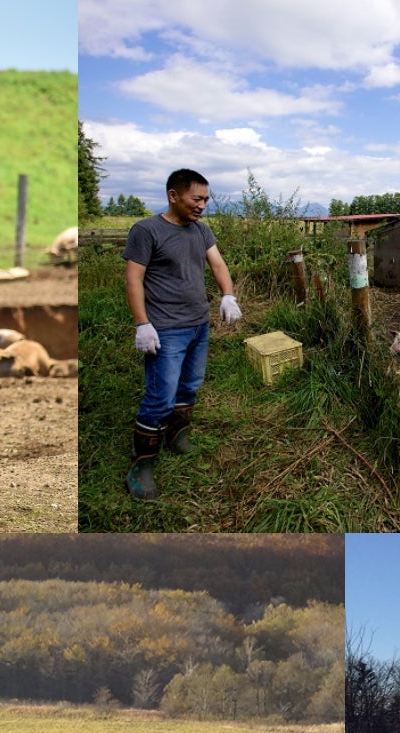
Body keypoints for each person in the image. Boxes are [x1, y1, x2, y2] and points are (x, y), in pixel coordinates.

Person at [122, 169, 242, 501]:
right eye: (196, 198)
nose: (203, 205)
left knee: (190, 385)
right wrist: (141, 323)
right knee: (160, 396)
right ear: (173, 196)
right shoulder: (147, 230)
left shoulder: (201, 231)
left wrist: (228, 295)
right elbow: (133, 279)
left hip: (198, 324)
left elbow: (217, 265)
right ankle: (142, 465)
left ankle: (177, 434)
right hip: (166, 329)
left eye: (206, 199)